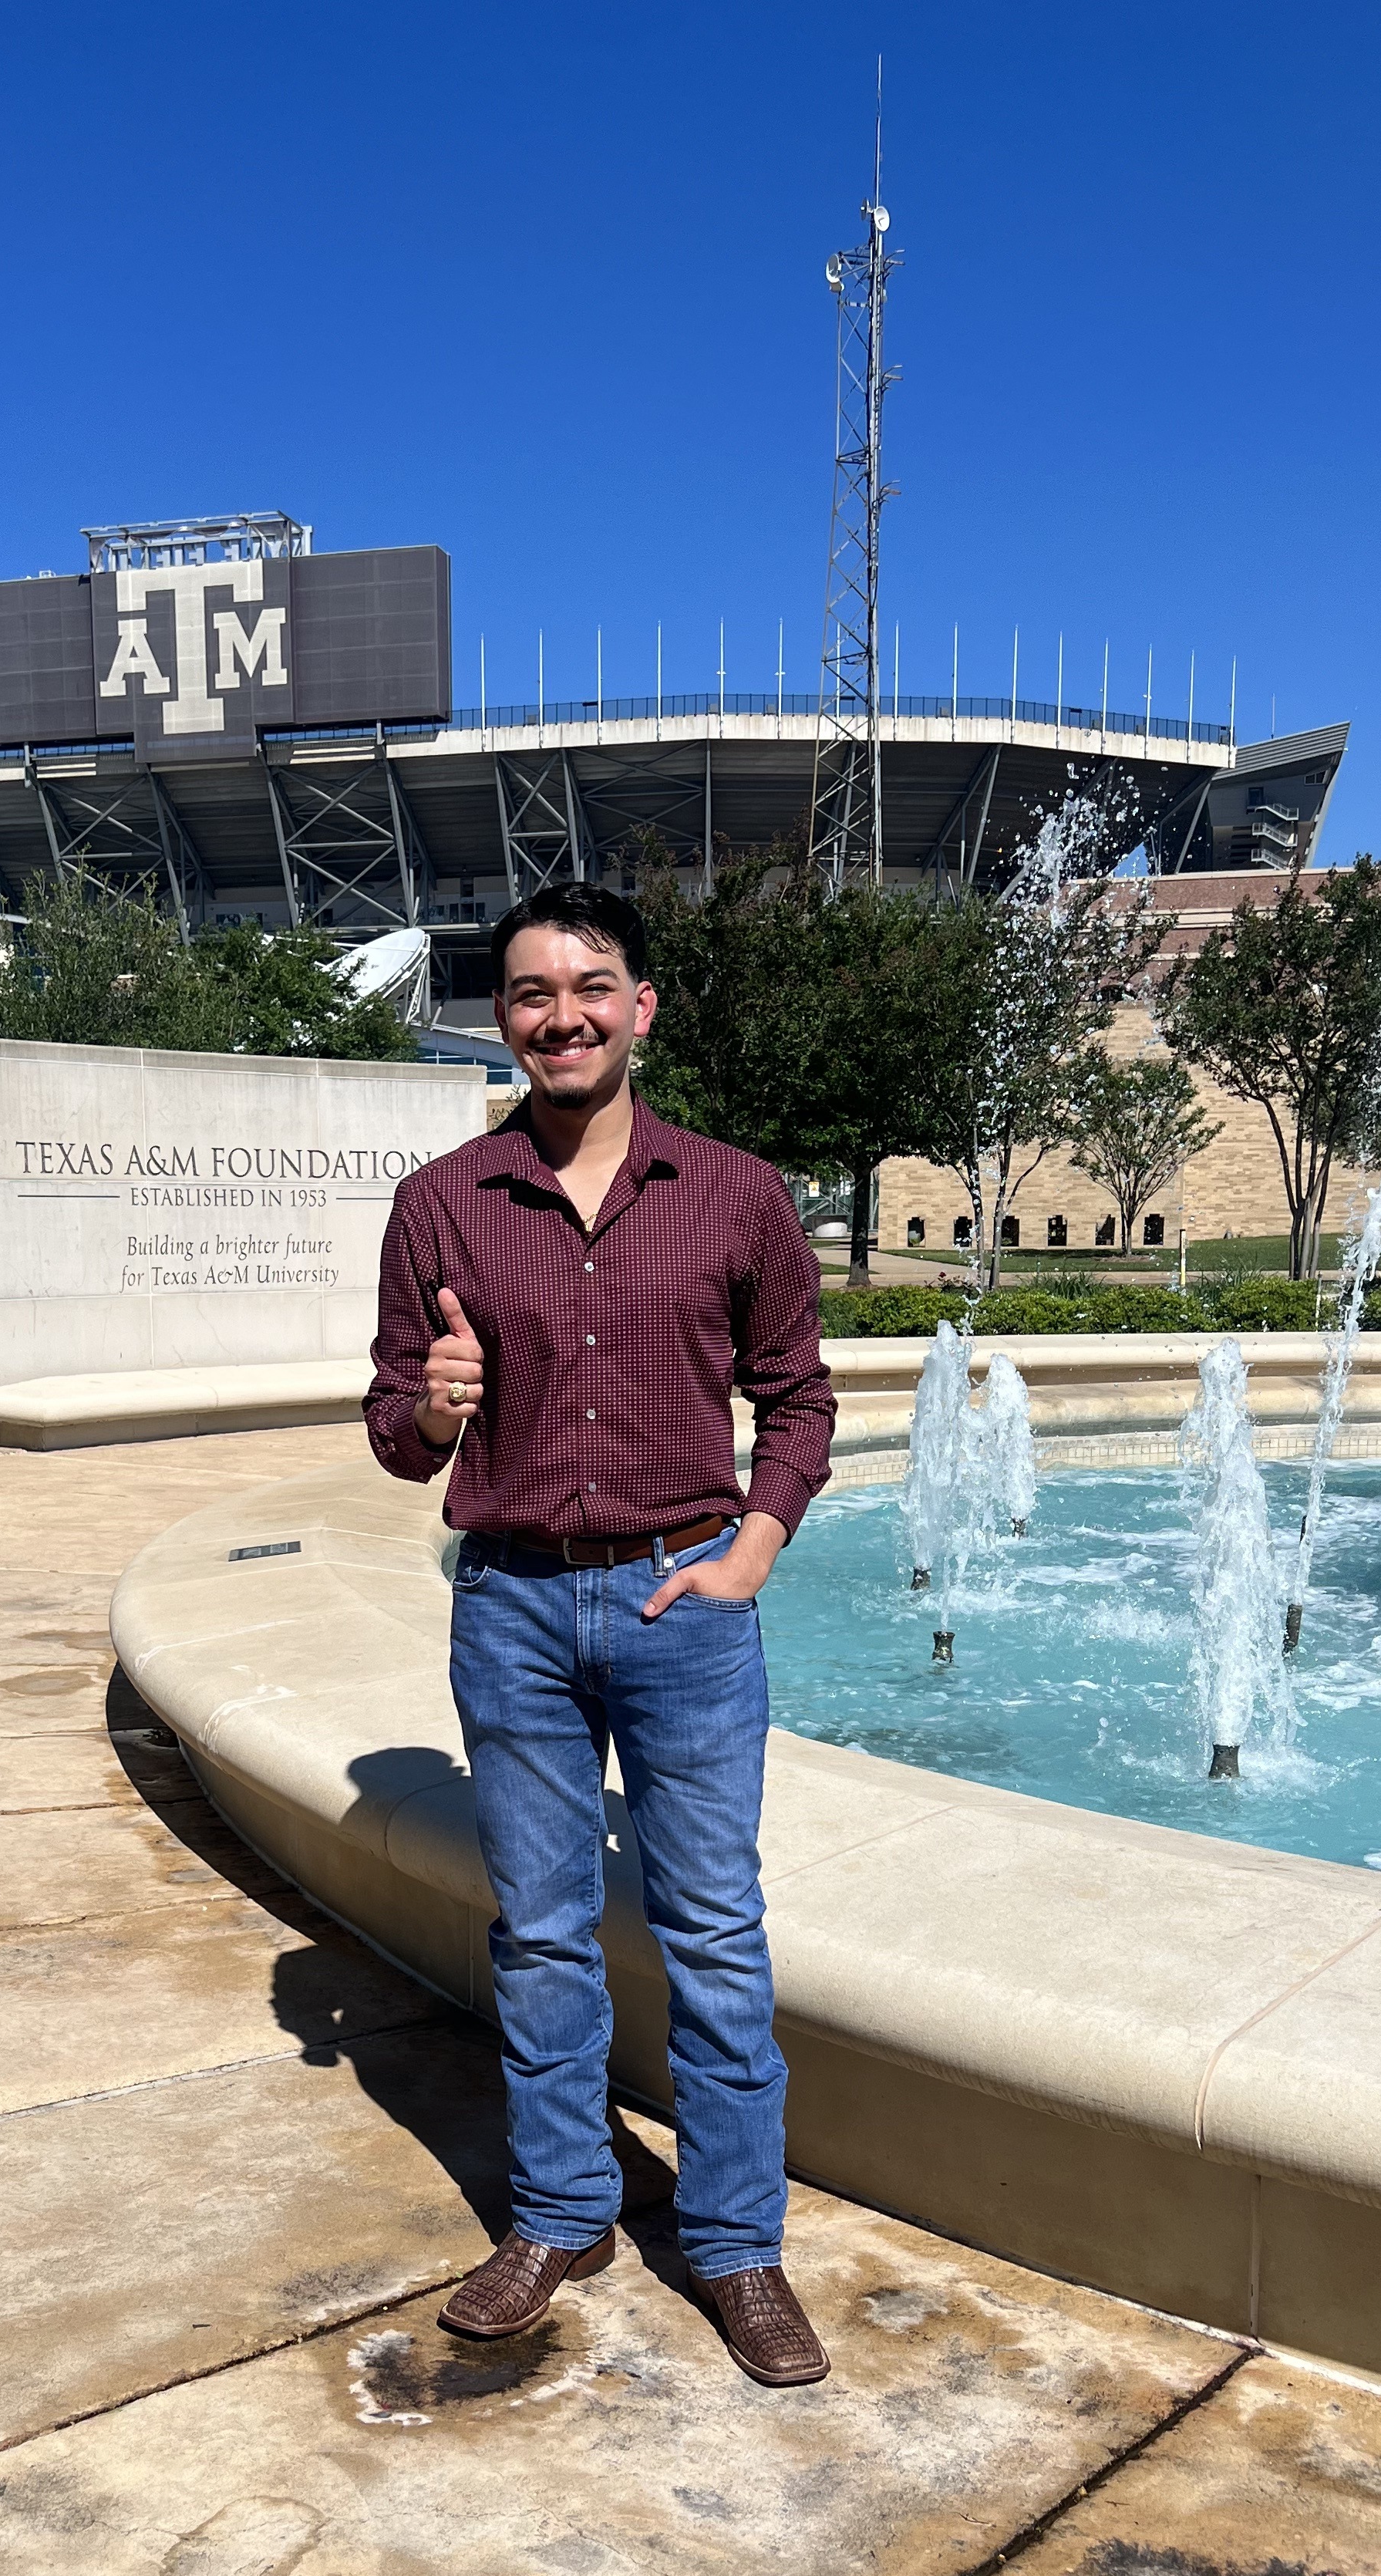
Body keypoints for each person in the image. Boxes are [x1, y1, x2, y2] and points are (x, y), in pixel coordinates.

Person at [365, 881, 838, 2386]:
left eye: (589, 986)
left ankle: (736, 2243)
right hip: (508, 1603)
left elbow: (801, 1396)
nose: (559, 1014)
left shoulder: (734, 1194)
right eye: (527, 992)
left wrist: (752, 1550)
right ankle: (563, 2212)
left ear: (640, 1007)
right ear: (498, 1020)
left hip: (681, 1601)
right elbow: (395, 1436)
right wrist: (428, 1412)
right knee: (546, 1928)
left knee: (709, 1925)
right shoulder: (444, 1202)